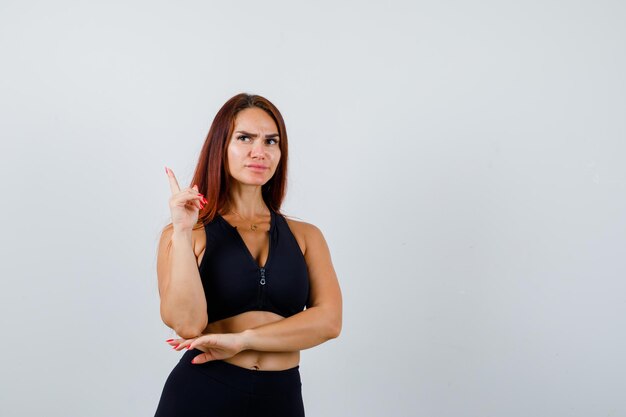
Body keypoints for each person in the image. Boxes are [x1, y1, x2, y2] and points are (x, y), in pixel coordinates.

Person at [153, 93, 343, 416]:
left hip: (280, 400)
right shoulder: (187, 234)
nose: (260, 152)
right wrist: (183, 233)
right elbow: (187, 325)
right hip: (202, 394)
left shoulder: (306, 236)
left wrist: (243, 340)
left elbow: (329, 321)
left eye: (271, 141)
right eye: (245, 138)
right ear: (221, 146)